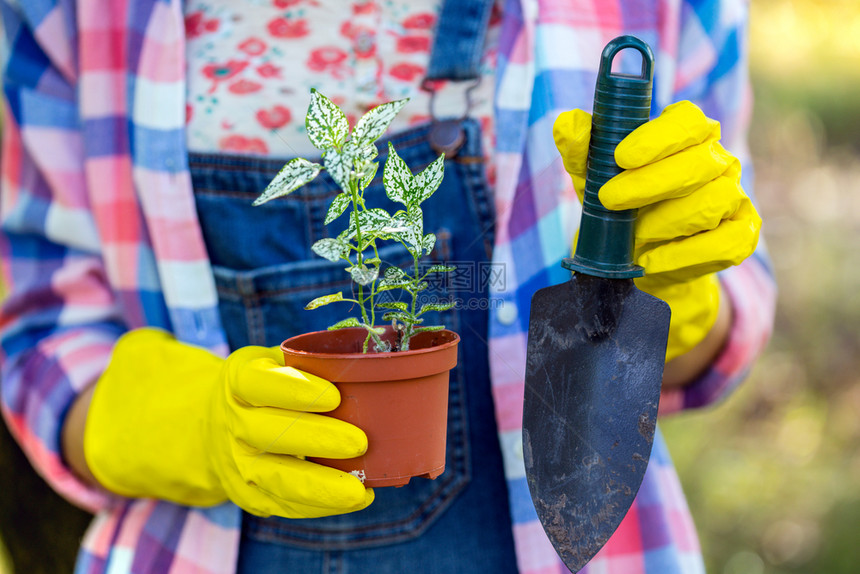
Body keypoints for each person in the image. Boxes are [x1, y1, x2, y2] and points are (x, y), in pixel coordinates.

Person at [0, 0, 775, 573]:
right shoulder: (65, 16)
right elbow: (37, 328)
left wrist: (683, 296)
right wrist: (177, 424)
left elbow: (725, 329)